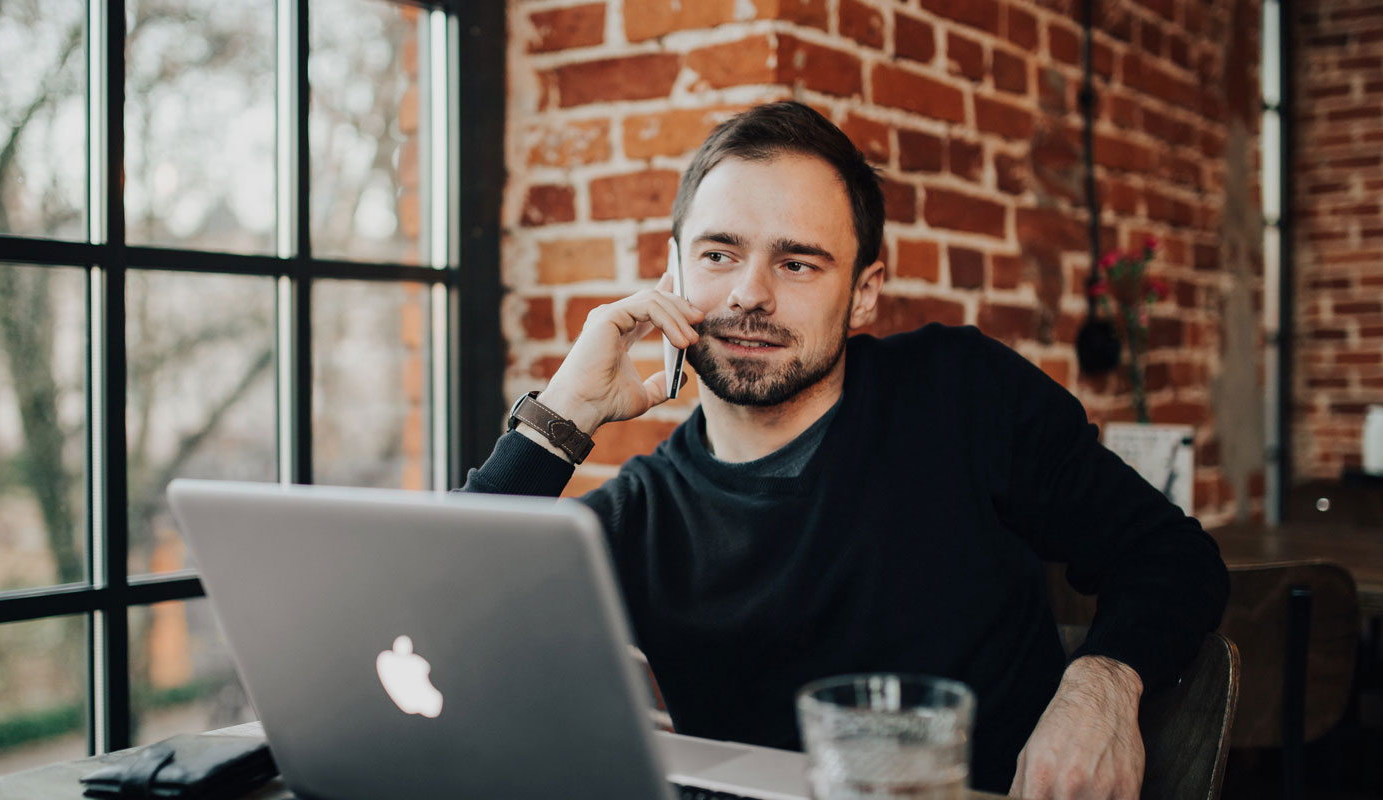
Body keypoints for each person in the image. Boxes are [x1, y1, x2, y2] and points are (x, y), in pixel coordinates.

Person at [464, 101, 1227, 799]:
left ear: (864, 292)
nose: (749, 295)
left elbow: (1172, 556)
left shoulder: (962, 395)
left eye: (796, 263)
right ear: (673, 271)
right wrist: (564, 415)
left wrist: (1101, 683)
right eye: (720, 255)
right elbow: (444, 631)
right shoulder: (640, 515)